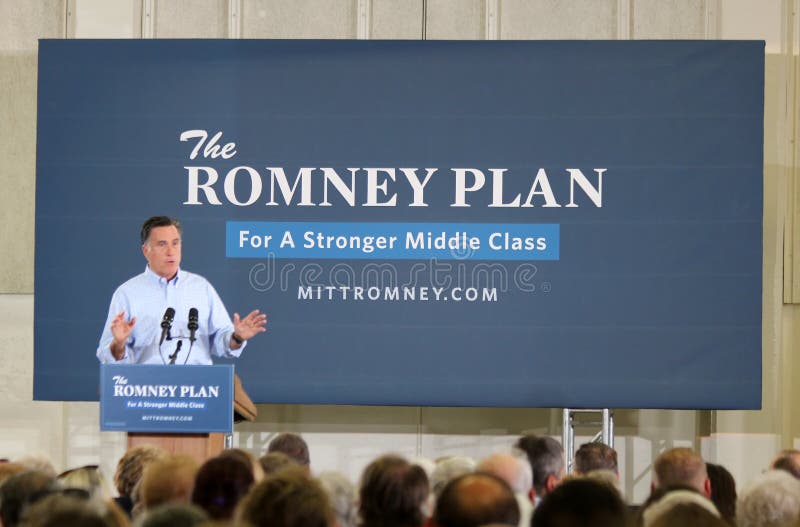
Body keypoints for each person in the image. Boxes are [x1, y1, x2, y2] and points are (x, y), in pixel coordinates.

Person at [97, 216, 267, 365]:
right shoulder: (127, 293)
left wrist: (237, 337)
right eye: (162, 244)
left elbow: (222, 342)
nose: (171, 252)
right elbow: (107, 355)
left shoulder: (201, 288)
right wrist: (119, 344)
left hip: (197, 389)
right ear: (146, 251)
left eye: (175, 243)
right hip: (147, 390)